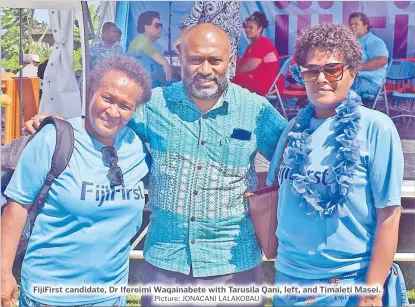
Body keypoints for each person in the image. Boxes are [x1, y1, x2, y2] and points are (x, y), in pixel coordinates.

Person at [25, 23, 287, 307]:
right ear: (180, 56)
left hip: (234, 264)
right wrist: (61, 123)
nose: (206, 69)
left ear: (230, 61)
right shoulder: (155, 105)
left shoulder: (256, 110)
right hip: (166, 264)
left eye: (215, 60)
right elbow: (104, 120)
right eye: (196, 59)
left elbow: (294, 154)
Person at [266, 24, 407, 306]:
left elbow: (389, 215)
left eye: (332, 69)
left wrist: (371, 291)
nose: (320, 78)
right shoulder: (294, 128)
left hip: (345, 285)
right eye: (311, 70)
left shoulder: (375, 128)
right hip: (288, 282)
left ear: (353, 74)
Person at [1, 55, 152, 307]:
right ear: (91, 91)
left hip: (110, 298)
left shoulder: (136, 147)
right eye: (107, 98)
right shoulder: (54, 138)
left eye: (125, 106)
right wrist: (4, 273)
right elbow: (17, 207)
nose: (113, 111)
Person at [175, 1, 241, 79]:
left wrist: (182, 36)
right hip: (225, 45)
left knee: (204, 78)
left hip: (209, 41)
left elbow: (198, 12)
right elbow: (237, 27)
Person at [232, 12, 283, 96]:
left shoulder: (263, 43)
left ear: (260, 29)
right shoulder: (252, 45)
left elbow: (249, 67)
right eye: (246, 27)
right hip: (257, 81)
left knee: (229, 80)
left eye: (251, 27)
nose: (247, 30)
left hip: (265, 85)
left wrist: (232, 73)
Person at [349, 12, 389, 97]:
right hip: (355, 79)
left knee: (340, 88)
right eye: (351, 24)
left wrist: (354, 67)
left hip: (370, 82)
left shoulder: (374, 41)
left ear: (365, 25)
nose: (352, 27)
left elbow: (382, 61)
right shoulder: (353, 42)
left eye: (356, 24)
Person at [128, 11, 172, 81]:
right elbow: (165, 64)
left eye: (161, 26)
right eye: (157, 25)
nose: (160, 28)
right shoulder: (143, 41)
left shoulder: (140, 40)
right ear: (147, 28)